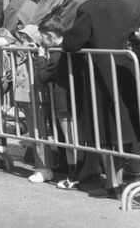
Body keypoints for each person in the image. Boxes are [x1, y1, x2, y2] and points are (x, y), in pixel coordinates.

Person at [63, 0, 140, 198]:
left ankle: (113, 183)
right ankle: (118, 180)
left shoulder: (88, 8)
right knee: (121, 126)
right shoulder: (126, 6)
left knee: (104, 129)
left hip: (98, 74)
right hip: (124, 72)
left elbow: (72, 42)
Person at [33, 17, 78, 188]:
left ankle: (73, 177)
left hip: (63, 101)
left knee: (70, 140)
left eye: (43, 37)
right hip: (69, 99)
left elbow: (44, 76)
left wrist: (41, 58)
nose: (42, 41)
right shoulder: (67, 49)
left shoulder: (57, 54)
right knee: (71, 139)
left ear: (51, 36)